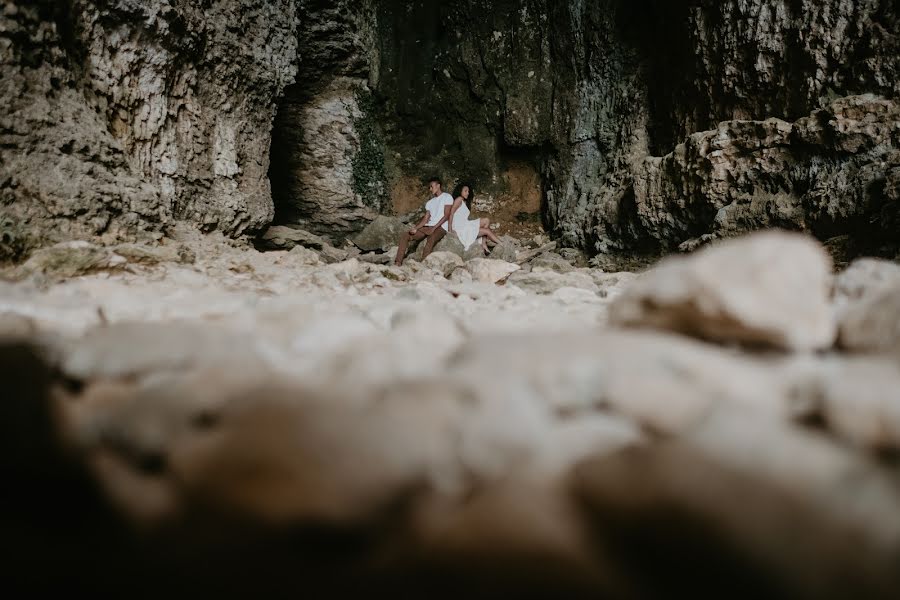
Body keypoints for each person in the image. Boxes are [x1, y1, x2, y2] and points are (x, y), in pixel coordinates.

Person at [394, 177, 454, 266]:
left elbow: (446, 216)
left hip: (440, 227)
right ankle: (398, 262)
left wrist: (433, 228)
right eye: (429, 187)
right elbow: (426, 219)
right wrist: (416, 228)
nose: (430, 189)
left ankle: (423, 266)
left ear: (438, 186)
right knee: (405, 235)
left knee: (431, 239)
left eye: (431, 186)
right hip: (428, 226)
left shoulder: (447, 197)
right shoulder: (430, 202)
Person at [448, 183, 501, 253]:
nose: (468, 193)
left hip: (466, 224)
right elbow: (451, 214)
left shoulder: (464, 201)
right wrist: (450, 230)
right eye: (465, 191)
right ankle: (502, 244)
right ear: (460, 191)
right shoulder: (459, 199)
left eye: (468, 191)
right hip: (460, 228)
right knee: (487, 231)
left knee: (486, 220)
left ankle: (483, 243)